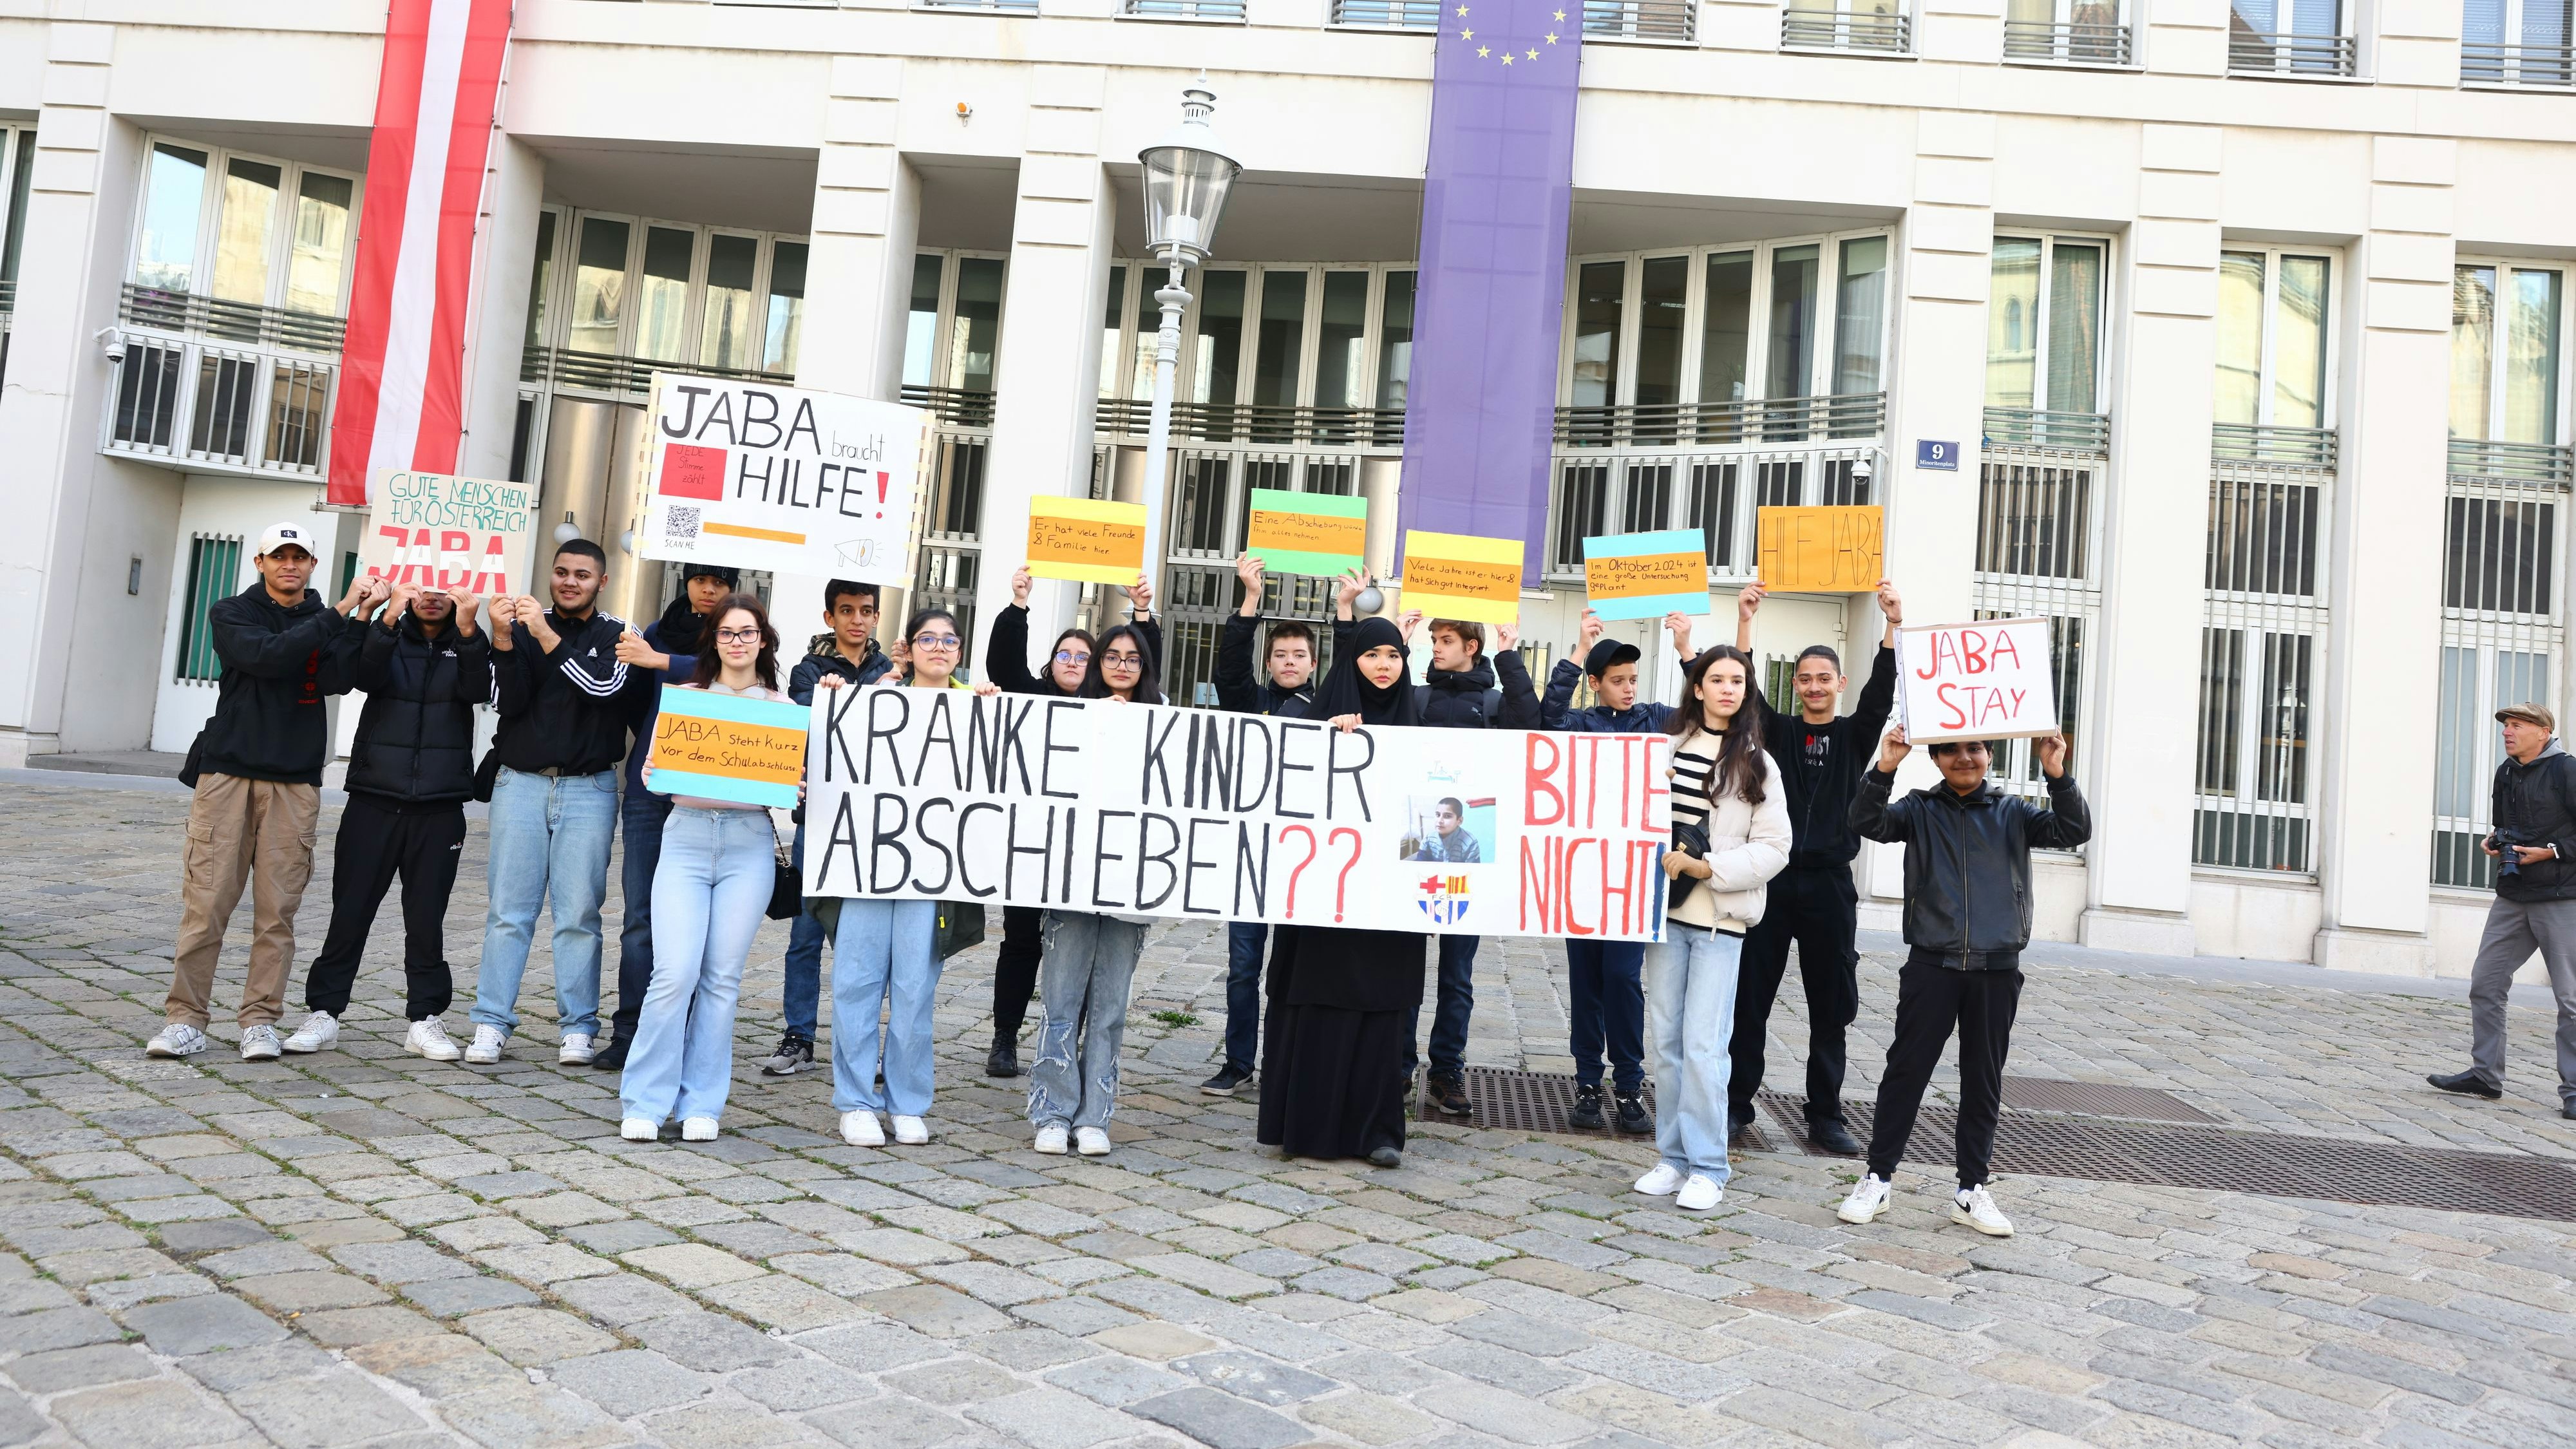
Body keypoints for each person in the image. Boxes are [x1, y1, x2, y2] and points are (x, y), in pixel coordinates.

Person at [1837, 726, 2090, 1237]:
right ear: (1936, 758)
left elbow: (2073, 830)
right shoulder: (1919, 809)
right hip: (1932, 964)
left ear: (1989, 754)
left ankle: (1971, 1190)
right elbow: (1865, 820)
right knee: (1905, 1073)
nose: (1963, 758)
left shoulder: (2014, 812)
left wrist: (2057, 773)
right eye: (1951, 749)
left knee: (1983, 1080)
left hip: (1997, 970)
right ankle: (1877, 1177)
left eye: (1974, 748)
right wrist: (1885, 765)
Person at [147, 523, 374, 1060]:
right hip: (227, 773)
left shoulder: (327, 617)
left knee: (278, 913)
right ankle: (186, 1019)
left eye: (300, 557)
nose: (289, 565)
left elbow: (340, 677)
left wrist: (361, 618)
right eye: (280, 556)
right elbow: (268, 656)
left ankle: (260, 1020)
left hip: (295, 779)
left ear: (313, 565)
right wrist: (339, 614)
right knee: (206, 905)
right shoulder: (232, 612)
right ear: (260, 561)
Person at [1331, 572, 1538, 1119]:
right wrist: (1394, 643)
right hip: (1413, 854)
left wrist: (1512, 656)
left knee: (1457, 975)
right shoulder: (1415, 695)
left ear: (1471, 646)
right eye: (1430, 641)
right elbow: (1375, 714)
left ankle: (1447, 1070)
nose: (1434, 647)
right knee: (1404, 967)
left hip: (1471, 859)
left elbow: (1529, 726)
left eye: (1444, 640)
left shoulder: (1493, 703)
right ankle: (1398, 1066)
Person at [1727, 580, 1902, 1156]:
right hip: (1773, 883)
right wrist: (1747, 621)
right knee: (1750, 998)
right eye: (1804, 678)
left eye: (1824, 678)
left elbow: (1881, 694)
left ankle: (1825, 1115)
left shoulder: (1855, 735)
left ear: (1838, 684)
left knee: (1832, 1005)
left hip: (1830, 885)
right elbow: (1745, 693)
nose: (1814, 686)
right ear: (1795, 685)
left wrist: (1892, 625)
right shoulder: (1777, 732)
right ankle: (1736, 1106)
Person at [282, 578, 490, 1061]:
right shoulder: (388, 633)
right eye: (425, 585)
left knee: (426, 920)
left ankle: (424, 1018)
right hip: (374, 799)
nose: (433, 595)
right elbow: (360, 677)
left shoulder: (467, 642)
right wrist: (387, 617)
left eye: (446, 586)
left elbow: (479, 688)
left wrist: (469, 629)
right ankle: (325, 1014)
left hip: (440, 806)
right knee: (349, 912)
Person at [618, 594, 790, 1143]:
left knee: (721, 980)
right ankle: (644, 1099)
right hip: (687, 840)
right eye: (727, 633)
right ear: (713, 642)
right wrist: (667, 770)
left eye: (747, 632)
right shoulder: (686, 700)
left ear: (763, 640)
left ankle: (702, 1103)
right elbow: (650, 776)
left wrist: (795, 785)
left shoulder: (783, 711)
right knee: (673, 973)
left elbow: (792, 791)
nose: (737, 641)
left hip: (749, 846)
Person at [1258, 615, 1428, 1168]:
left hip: (1389, 900)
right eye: (1373, 654)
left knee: (1383, 1012)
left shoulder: (1420, 724)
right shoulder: (1312, 718)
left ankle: (1379, 1132)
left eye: (1394, 656)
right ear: (1351, 659)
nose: (1384, 666)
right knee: (1320, 1006)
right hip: (1324, 897)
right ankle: (1310, 1127)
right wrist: (1328, 746)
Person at [979, 565, 1160, 1079]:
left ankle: (1073, 1039)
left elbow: (1148, 667)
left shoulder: (1113, 708)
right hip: (1033, 844)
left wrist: (1143, 615)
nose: (1075, 662)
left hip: (1086, 849)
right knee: (1020, 943)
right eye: (1066, 654)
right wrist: (1018, 606)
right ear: (1052, 661)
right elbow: (1003, 663)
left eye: (1085, 656)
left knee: (1080, 950)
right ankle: (1005, 1037)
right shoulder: (1030, 699)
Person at [466, 540, 637, 1067]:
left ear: (601, 582)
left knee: (580, 915)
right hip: (520, 783)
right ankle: (491, 1024)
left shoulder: (620, 634)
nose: (569, 582)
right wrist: (501, 638)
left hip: (591, 789)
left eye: (582, 575)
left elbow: (604, 689)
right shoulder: (518, 624)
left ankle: (579, 1028)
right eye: (561, 572)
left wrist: (544, 636)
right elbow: (506, 702)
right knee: (508, 914)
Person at [826, 606, 990, 1148]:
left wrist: (995, 717)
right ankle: (855, 1102)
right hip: (868, 865)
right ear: (910, 647)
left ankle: (908, 1102)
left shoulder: (977, 710)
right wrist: (835, 696)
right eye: (928, 639)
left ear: (960, 653)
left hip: (933, 870)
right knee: (856, 984)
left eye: (949, 641)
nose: (939, 648)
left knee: (916, 991)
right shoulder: (871, 702)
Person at [1635, 646, 1790, 1211]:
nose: (1728, 688)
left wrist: (1710, 869)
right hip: (1663, 917)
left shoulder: (1757, 763)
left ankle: (1709, 1166)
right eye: (1716, 679)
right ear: (1697, 687)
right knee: (1669, 1044)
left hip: (1720, 921)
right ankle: (1673, 1158)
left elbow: (1776, 847)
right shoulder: (1663, 749)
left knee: (1704, 1045)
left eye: (1738, 681)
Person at [1540, 608, 1697, 1133]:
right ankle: (1588, 1083)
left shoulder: (1653, 718)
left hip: (1633, 878)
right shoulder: (1581, 723)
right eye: (1618, 681)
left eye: (1633, 680)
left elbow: (1701, 710)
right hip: (1582, 873)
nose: (1629, 688)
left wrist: (1685, 648)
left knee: (1623, 980)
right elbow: (1548, 718)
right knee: (1586, 981)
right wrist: (1580, 647)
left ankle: (1629, 1085)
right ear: (1596, 684)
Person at [1027, 620, 1163, 1157]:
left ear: (1144, 667)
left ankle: (1095, 1115)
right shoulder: (1066, 716)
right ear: (1097, 662)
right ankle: (1052, 1112)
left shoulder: (1163, 720)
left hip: (1130, 879)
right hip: (1074, 876)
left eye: (1133, 658)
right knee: (1061, 1001)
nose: (1123, 665)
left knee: (1109, 1007)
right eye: (1113, 656)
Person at [592, 563, 734, 1072]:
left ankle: (689, 1032)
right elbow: (637, 702)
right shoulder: (655, 631)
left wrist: (659, 661)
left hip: (708, 792)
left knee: (700, 923)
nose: (710, 588)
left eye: (720, 580)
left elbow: (725, 678)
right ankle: (630, 1030)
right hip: (653, 788)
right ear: (687, 581)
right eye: (702, 578)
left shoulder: (735, 635)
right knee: (640, 918)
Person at [761, 579, 892, 1079]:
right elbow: (809, 723)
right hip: (818, 822)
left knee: (864, 941)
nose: (857, 620)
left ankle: (862, 1040)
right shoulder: (809, 670)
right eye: (847, 611)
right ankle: (800, 1035)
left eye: (866, 610)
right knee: (806, 935)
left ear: (876, 616)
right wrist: (845, 697)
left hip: (873, 826)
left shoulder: (889, 670)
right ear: (829, 618)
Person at [1203, 553, 1320, 1097]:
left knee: (1293, 974)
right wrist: (1250, 601)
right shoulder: (1249, 702)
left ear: (1314, 663)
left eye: (1299, 654)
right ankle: (1239, 1062)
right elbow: (1229, 666)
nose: (1289, 661)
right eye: (1280, 654)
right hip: (1250, 854)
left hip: (1304, 858)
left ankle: (1288, 1060)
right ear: (1269, 662)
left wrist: (1346, 611)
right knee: (1243, 969)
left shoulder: (1326, 709)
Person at [2428, 703, 2576, 1121]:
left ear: (2543, 732)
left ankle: (2574, 1091)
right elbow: (2505, 823)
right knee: (2486, 984)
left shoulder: (2567, 771)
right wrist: (2497, 842)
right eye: (2506, 726)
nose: (2507, 732)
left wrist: (2551, 852)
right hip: (2513, 895)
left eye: (2517, 725)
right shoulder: (2506, 772)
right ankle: (2486, 1075)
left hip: (2562, 898)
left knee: (2570, 1001)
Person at [1410, 798, 1481, 863]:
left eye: (1447, 816)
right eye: (1438, 815)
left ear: (1459, 821)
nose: (1440, 821)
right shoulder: (1428, 839)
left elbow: (1471, 872)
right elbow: (1421, 865)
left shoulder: (1470, 843)